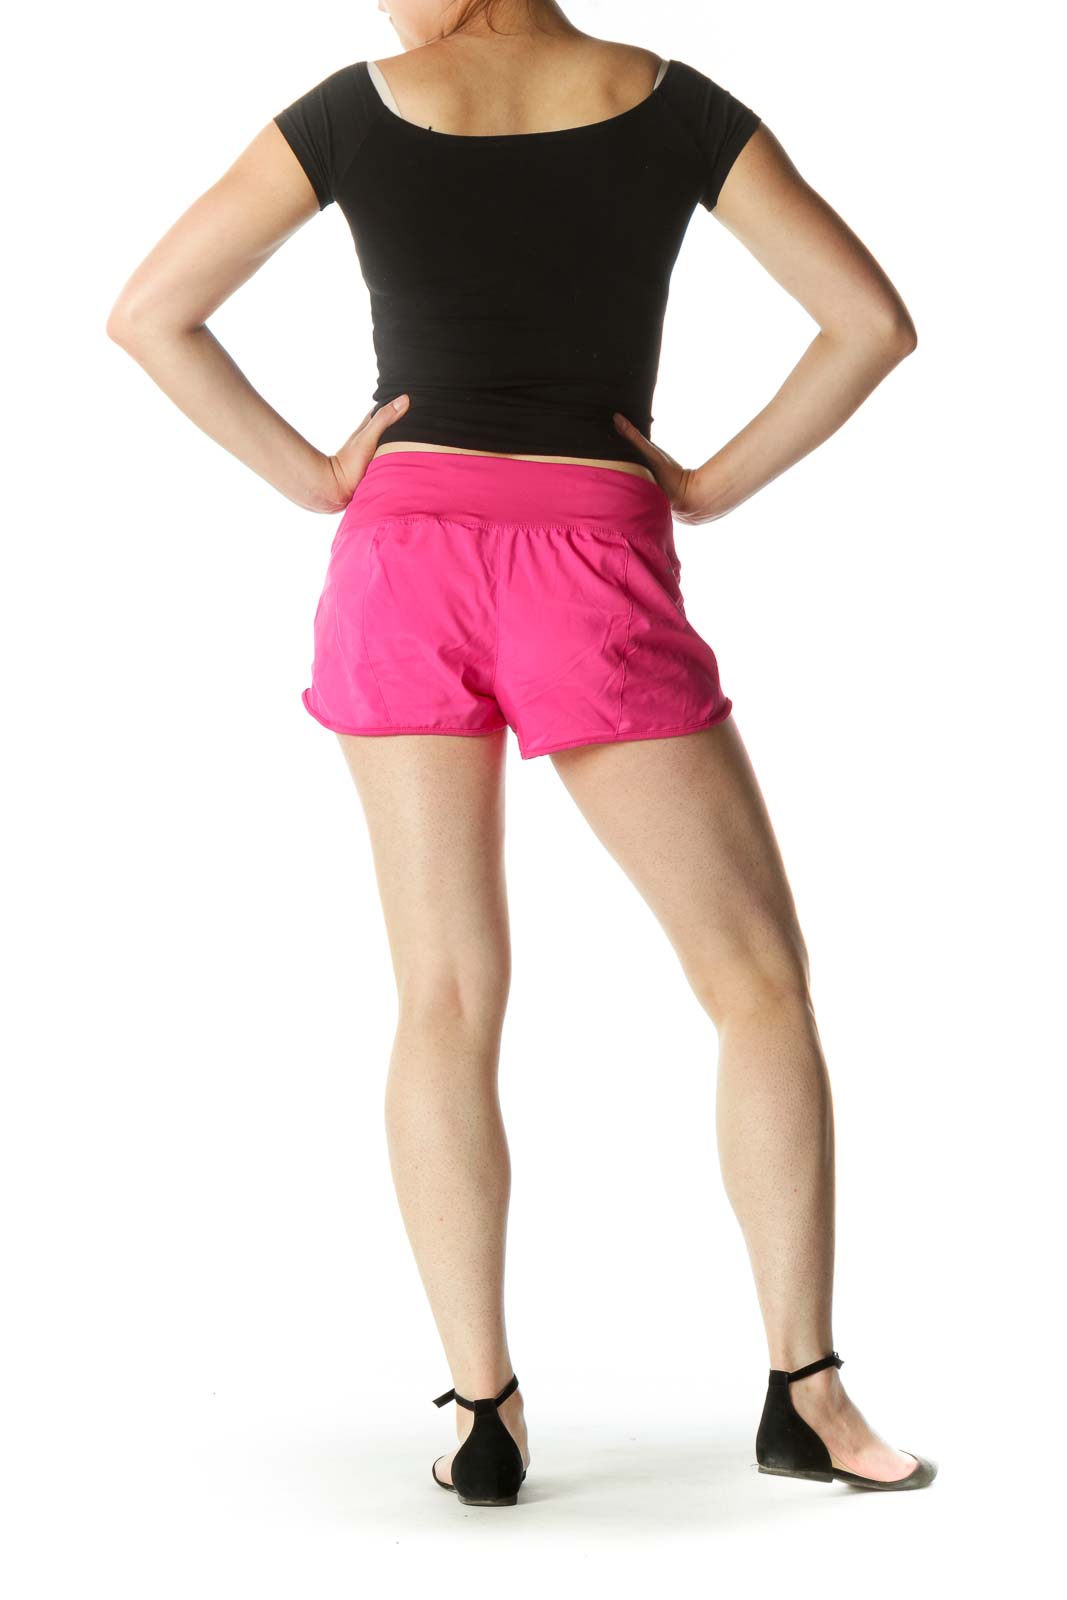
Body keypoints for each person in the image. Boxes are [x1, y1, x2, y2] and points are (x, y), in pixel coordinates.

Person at [106, 0, 936, 1508]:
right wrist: (707, 485)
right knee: (754, 982)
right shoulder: (670, 103)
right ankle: (806, 1397)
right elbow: (871, 324)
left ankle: (484, 1416)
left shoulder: (354, 106)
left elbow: (150, 311)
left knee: (443, 994)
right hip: (589, 558)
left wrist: (314, 476)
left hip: (398, 557)